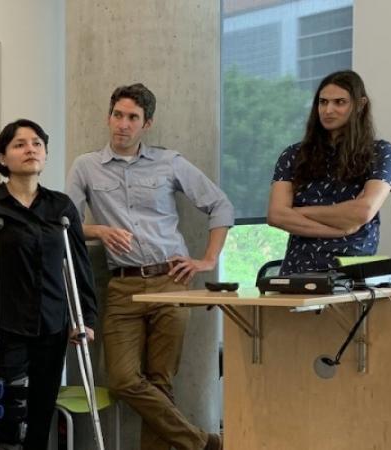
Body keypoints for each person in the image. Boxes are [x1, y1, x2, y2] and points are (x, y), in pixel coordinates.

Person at [66, 83, 231, 450]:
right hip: (123, 286)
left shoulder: (169, 162)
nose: (123, 124)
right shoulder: (86, 166)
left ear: (147, 123)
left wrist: (208, 259)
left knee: (160, 381)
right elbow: (66, 223)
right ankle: (202, 443)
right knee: (122, 379)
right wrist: (99, 230)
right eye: (118, 115)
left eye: (133, 118)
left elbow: (221, 206)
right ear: (108, 117)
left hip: (170, 281)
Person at [0, 119, 98, 450]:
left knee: (40, 412)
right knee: (8, 415)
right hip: (2, 328)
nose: (30, 149)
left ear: (46, 154)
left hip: (52, 326)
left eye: (36, 143)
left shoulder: (60, 207)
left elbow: (78, 266)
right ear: (3, 157)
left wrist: (85, 319)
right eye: (19, 144)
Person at [266, 70, 391, 275]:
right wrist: (341, 229)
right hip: (298, 272)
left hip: (353, 273)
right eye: (323, 102)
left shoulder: (380, 152)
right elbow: (276, 215)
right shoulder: (293, 155)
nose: (328, 110)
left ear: (360, 105)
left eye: (339, 102)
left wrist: (298, 212)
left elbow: (363, 212)